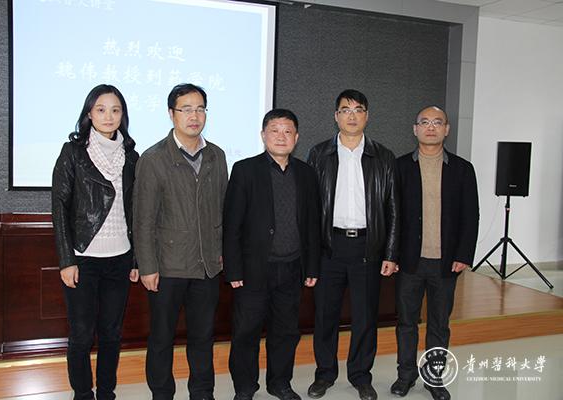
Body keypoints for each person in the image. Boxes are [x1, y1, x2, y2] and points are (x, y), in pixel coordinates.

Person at [133, 83, 228, 400]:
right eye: (186, 109)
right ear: (171, 114)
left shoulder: (217, 155)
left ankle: (202, 393)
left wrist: (221, 251)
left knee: (203, 337)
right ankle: (162, 393)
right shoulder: (153, 158)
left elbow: (223, 208)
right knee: (162, 338)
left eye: (200, 108)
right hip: (168, 267)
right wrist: (147, 266)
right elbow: (143, 219)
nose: (194, 116)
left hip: (207, 266)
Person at [306, 89, 399, 400]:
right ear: (336, 116)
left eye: (358, 109)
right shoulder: (319, 154)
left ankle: (360, 375)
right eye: (345, 110)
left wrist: (390, 252)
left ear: (367, 116)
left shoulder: (383, 156)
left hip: (367, 248)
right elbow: (309, 207)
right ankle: (325, 374)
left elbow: (393, 208)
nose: (352, 115)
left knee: (365, 317)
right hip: (328, 247)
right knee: (325, 316)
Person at [223, 109, 321, 400]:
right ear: (263, 135)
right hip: (254, 268)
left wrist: (312, 267)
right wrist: (233, 269)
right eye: (275, 130)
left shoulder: (306, 173)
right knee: (246, 331)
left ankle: (280, 383)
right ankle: (245, 387)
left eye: (287, 131)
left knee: (286, 332)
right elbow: (232, 224)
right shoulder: (245, 170)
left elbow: (313, 224)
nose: (281, 136)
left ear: (297, 138)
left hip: (292, 267)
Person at [52, 84, 140, 400]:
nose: (108, 116)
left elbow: (135, 211)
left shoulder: (132, 156)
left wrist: (135, 260)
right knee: (81, 334)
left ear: (122, 115)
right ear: (89, 113)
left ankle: (106, 392)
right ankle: (82, 394)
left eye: (115, 110)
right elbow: (59, 206)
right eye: (101, 109)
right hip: (83, 257)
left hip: (120, 258)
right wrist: (66, 260)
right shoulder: (73, 152)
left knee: (112, 333)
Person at [390, 106, 479, 400]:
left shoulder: (462, 169)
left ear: (447, 129)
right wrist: (391, 255)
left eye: (437, 122)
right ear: (415, 129)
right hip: (409, 261)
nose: (431, 127)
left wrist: (464, 254)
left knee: (440, 324)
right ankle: (405, 376)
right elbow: (391, 215)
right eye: (425, 122)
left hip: (446, 262)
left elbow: (471, 215)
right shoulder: (399, 167)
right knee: (406, 323)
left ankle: (434, 377)